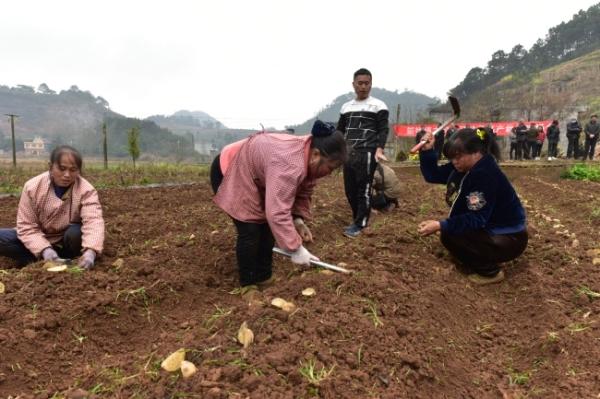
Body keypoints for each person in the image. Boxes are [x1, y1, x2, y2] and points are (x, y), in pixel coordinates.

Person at [210, 120, 347, 295]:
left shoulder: (309, 155)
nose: (329, 173)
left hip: (257, 172)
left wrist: (298, 220)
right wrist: (296, 249)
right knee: (251, 230)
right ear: (316, 154)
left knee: (267, 229)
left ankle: (264, 277)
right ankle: (248, 284)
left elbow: (303, 190)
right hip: (229, 166)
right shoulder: (290, 164)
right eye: (331, 167)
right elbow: (277, 213)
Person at [417, 128, 528, 285]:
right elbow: (433, 175)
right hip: (492, 229)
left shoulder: (485, 175)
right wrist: (428, 151)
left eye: (458, 157)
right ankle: (476, 255)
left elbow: (477, 218)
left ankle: (490, 272)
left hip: (509, 238)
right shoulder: (463, 166)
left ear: (476, 152)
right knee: (452, 232)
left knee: (451, 235)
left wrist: (440, 225)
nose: (454, 162)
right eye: (452, 158)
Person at [0, 146, 104, 268]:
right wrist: (45, 249)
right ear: (51, 167)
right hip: (38, 237)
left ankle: (72, 259)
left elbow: (93, 221)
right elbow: (27, 226)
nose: (67, 175)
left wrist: (91, 251)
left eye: (73, 170)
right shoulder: (32, 187)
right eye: (62, 169)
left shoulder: (86, 190)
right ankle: (44, 258)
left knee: (76, 233)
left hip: (66, 240)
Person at [337, 68, 389, 238]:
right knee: (349, 190)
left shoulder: (379, 105)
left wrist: (379, 148)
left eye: (367, 83)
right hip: (348, 152)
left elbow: (383, 130)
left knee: (363, 189)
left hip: (367, 152)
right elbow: (340, 131)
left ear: (371, 84)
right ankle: (356, 220)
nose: (363, 87)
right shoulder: (346, 107)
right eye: (360, 83)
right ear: (354, 84)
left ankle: (360, 224)